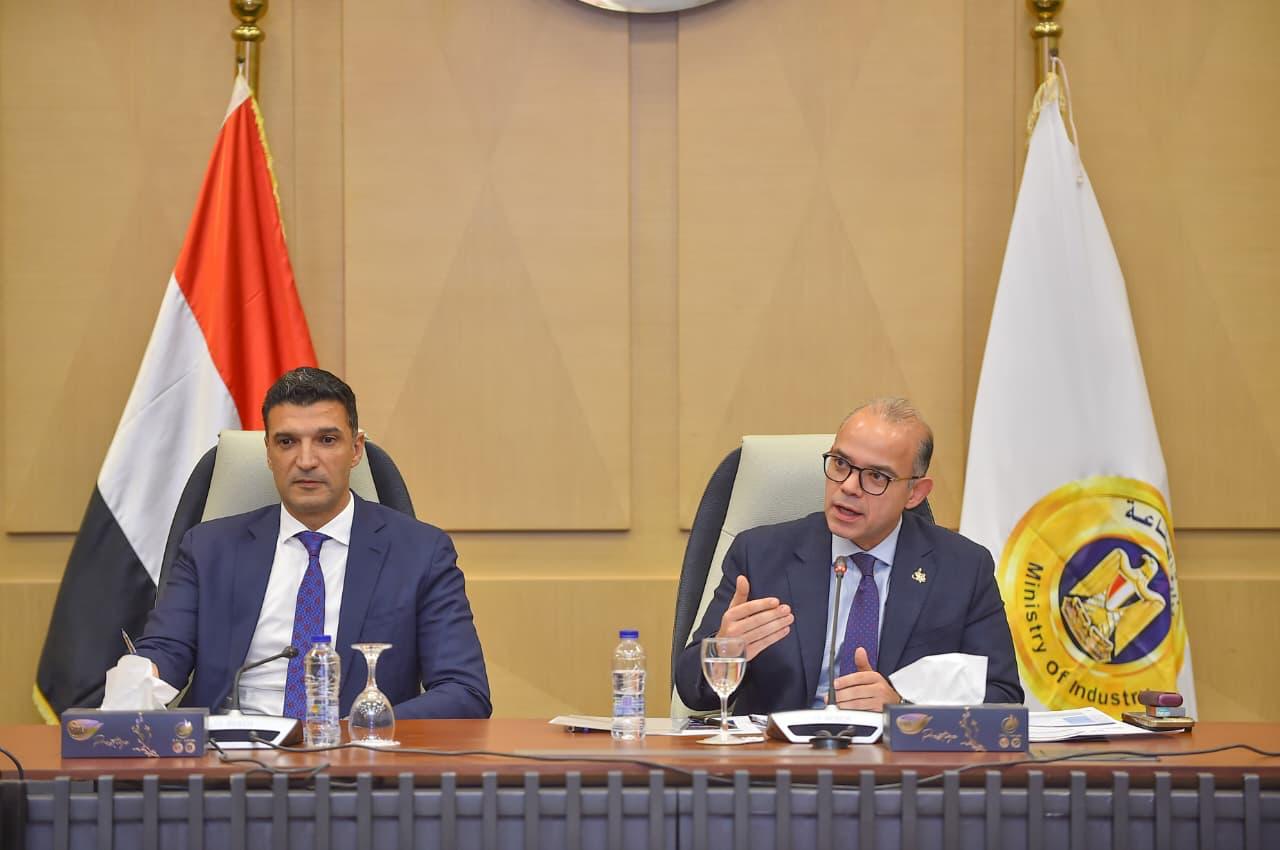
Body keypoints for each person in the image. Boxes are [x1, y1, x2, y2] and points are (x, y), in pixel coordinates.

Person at [133, 367, 491, 719]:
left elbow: (463, 691)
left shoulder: (420, 553)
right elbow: (165, 653)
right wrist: (137, 682)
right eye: (287, 442)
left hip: (356, 750)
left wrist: (365, 726)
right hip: (229, 750)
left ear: (356, 450)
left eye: (327, 440)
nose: (306, 461)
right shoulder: (208, 548)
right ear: (269, 452)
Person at [674, 398, 1022, 715]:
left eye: (876, 476)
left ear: (915, 493)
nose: (849, 487)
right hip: (782, 758)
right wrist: (723, 652)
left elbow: (1003, 698)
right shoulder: (760, 555)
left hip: (899, 761)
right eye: (841, 464)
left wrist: (902, 708)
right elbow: (691, 690)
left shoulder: (962, 568)